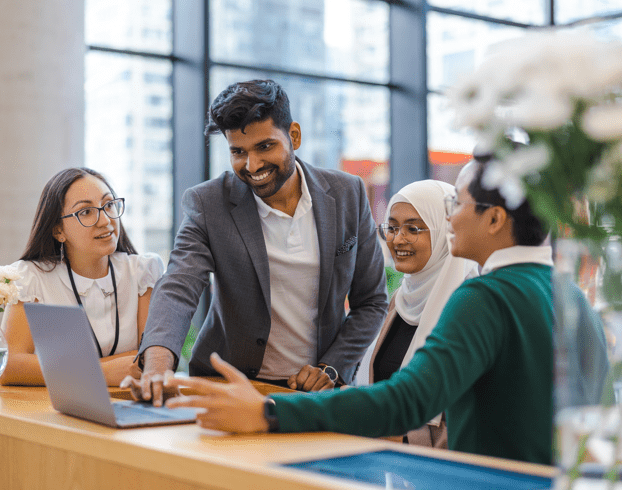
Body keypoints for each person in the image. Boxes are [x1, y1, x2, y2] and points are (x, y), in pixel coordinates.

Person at [155, 151, 556, 466]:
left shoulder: (481, 297)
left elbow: (406, 401)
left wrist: (270, 411)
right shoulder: (566, 296)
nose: (450, 215)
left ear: (495, 219)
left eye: (459, 203)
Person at [126, 79, 388, 400]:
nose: (252, 166)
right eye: (238, 152)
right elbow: (179, 288)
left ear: (294, 136)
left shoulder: (348, 194)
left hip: (316, 393)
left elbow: (371, 302)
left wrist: (329, 368)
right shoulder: (209, 204)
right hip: (231, 385)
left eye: (265, 146)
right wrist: (156, 367)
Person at [0, 167, 164, 387]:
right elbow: (9, 367)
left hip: (130, 402)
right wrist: (101, 372)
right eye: (86, 212)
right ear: (58, 230)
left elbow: (150, 359)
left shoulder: (142, 272)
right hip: (54, 411)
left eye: (109, 205)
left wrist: (55, 368)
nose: (105, 220)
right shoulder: (31, 277)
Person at [359, 179, 478, 448]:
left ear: (446, 231)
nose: (397, 239)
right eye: (391, 227)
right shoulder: (400, 301)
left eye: (413, 228)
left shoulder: (470, 306)